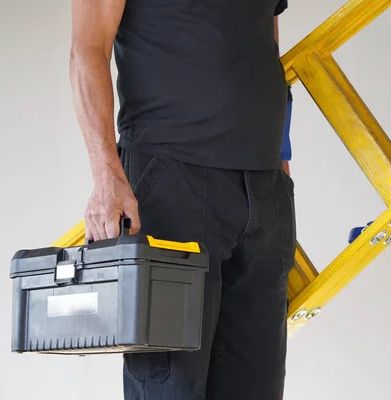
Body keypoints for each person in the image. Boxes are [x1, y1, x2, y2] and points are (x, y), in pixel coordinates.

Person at [69, 0, 296, 398]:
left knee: (257, 385)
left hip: (264, 187)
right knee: (170, 386)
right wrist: (106, 177)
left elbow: (265, 39)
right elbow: (88, 48)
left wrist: (280, 165)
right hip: (173, 182)